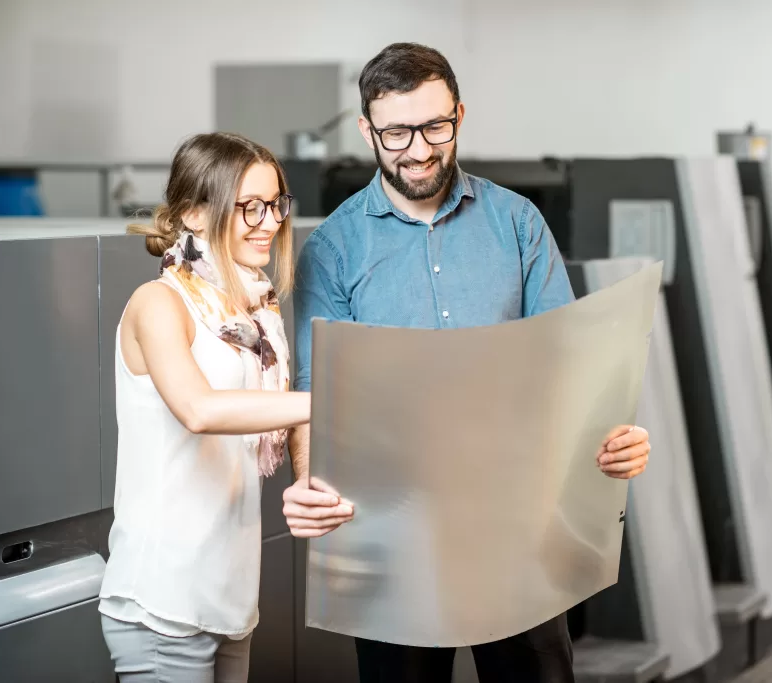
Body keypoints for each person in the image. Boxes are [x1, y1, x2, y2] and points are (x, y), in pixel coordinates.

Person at [283, 43, 651, 683]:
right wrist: (313, 484)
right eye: (397, 132)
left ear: (459, 115)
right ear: (368, 130)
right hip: (393, 531)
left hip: (517, 525)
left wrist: (615, 438)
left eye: (435, 126)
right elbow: (318, 394)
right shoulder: (335, 248)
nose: (419, 150)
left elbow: (567, 366)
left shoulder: (518, 223)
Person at [98, 132, 347, 683]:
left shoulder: (255, 313)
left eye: (276, 203)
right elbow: (200, 410)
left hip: (229, 593)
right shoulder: (159, 304)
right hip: (164, 596)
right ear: (192, 212)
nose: (269, 221)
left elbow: (270, 419)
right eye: (248, 207)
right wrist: (331, 398)